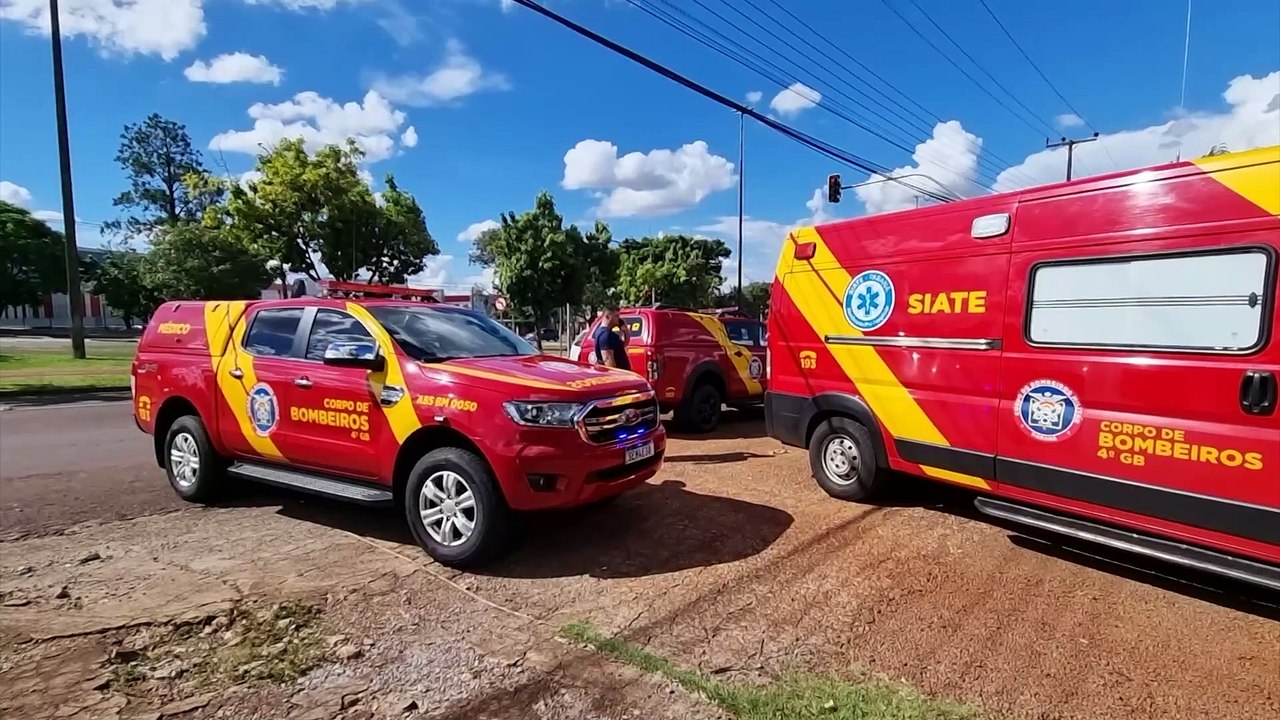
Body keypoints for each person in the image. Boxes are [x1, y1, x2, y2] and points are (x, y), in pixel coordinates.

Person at [592, 306, 631, 371]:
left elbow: (622, 346)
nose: (619, 319)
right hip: (618, 374)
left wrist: (626, 332)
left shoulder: (605, 333)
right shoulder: (606, 335)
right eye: (616, 316)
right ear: (607, 316)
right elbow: (607, 359)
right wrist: (614, 374)